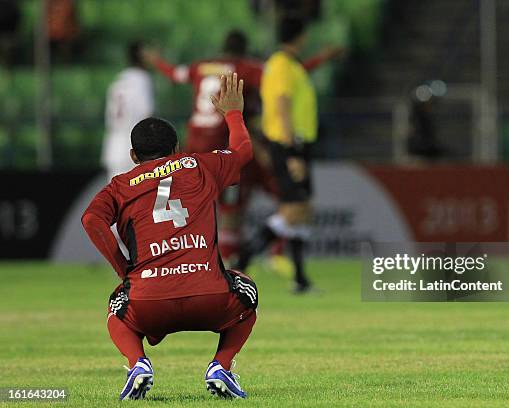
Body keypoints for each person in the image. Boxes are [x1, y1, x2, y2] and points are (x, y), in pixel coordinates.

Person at [82, 72, 257, 400]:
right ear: (177, 148)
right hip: (211, 297)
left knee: (116, 305)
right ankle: (221, 366)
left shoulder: (120, 185)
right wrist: (233, 113)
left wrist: (125, 272)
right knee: (247, 290)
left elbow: (91, 219)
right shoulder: (199, 165)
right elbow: (243, 152)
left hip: (149, 302)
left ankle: (138, 364)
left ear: (133, 156)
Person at [144, 30, 341, 261]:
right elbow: (286, 78)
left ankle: (175, 257)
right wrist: (321, 58)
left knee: (188, 202)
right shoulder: (245, 68)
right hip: (222, 144)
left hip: (193, 143)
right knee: (233, 209)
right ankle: (239, 260)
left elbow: (174, 74)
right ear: (244, 50)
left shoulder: (202, 66)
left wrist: (155, 60)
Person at [235, 17, 318, 293]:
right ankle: (242, 259)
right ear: (300, 37)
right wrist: (293, 151)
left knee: (303, 210)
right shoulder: (282, 65)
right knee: (294, 210)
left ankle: (300, 279)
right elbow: (282, 105)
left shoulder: (284, 64)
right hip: (289, 143)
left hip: (295, 143)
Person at [102, 41, 154, 179]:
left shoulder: (118, 81)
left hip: (114, 147)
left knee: (117, 197)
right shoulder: (142, 79)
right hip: (135, 149)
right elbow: (147, 115)